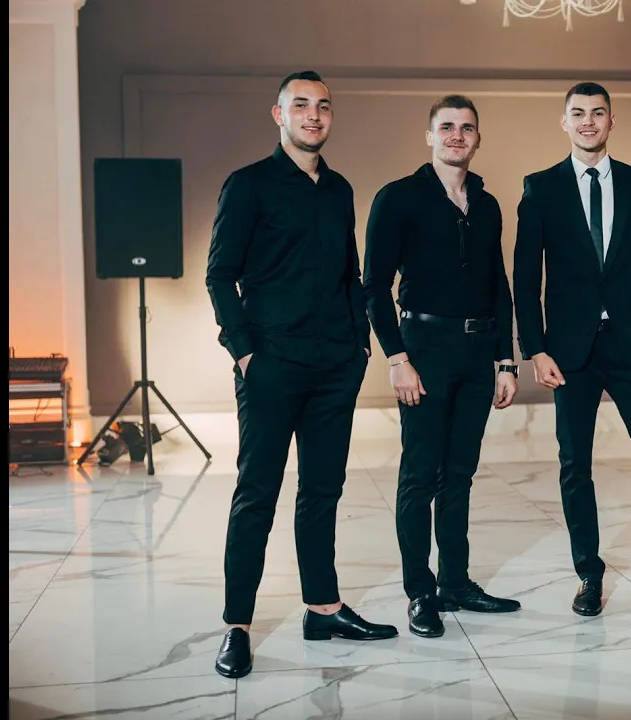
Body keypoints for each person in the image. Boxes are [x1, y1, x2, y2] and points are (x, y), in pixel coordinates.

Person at [205, 70, 398, 679]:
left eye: (323, 106)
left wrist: (359, 344)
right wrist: (244, 354)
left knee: (322, 491)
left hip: (335, 365)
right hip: (271, 364)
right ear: (279, 115)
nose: (313, 115)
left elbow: (350, 274)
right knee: (256, 494)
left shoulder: (339, 190)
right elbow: (219, 275)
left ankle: (323, 608)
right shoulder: (248, 185)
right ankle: (237, 626)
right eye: (301, 105)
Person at [512, 81, 631, 616]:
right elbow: (525, 278)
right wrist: (535, 349)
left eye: (598, 113)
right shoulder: (541, 187)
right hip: (567, 351)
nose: (588, 122)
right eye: (578, 113)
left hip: (630, 345)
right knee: (575, 463)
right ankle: (588, 574)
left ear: (611, 121)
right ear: (564, 122)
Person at [363, 95, 522, 638]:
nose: (457, 135)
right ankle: (420, 593)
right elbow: (373, 287)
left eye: (467, 128)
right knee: (419, 476)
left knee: (459, 475)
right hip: (423, 351)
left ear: (478, 139)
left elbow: (498, 285)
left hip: (478, 355)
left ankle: (455, 582)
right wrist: (397, 358)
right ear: (429, 136)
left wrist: (506, 359)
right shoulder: (398, 198)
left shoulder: (488, 204)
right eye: (447, 126)